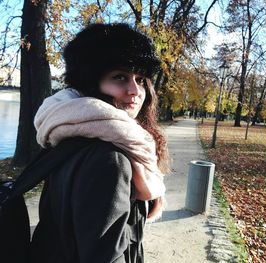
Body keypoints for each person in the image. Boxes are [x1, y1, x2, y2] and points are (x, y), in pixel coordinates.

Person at [29, 23, 170, 263]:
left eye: (141, 79)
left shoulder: (67, 133)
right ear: (90, 82)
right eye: (120, 77)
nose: (135, 90)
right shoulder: (110, 159)